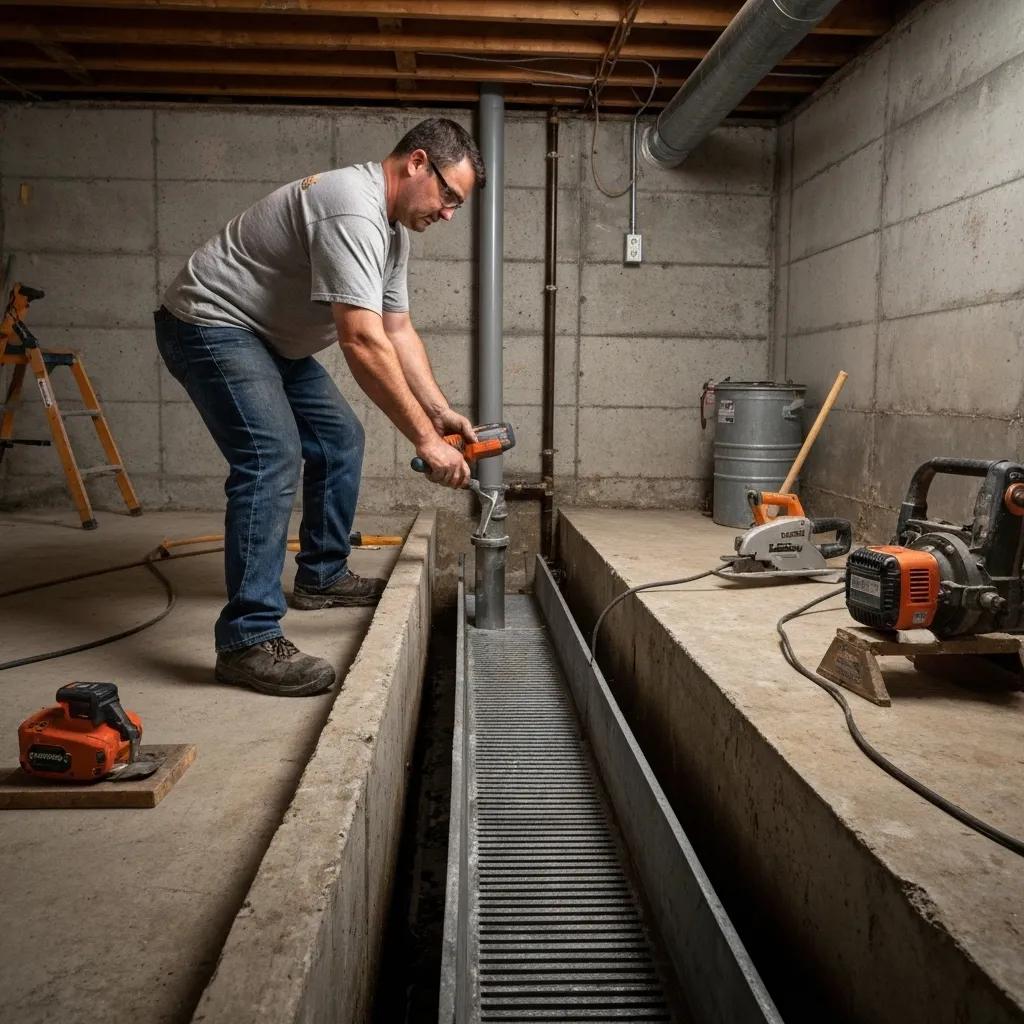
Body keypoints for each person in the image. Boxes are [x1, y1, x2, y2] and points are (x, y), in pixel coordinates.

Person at [154, 118, 486, 698]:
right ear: (416, 164)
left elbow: (397, 330)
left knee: (339, 438)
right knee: (271, 455)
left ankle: (321, 576)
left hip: (269, 339)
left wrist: (439, 413)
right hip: (210, 321)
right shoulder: (350, 209)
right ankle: (247, 639)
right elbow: (361, 341)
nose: (449, 214)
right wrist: (426, 445)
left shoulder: (392, 233)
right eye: (449, 197)